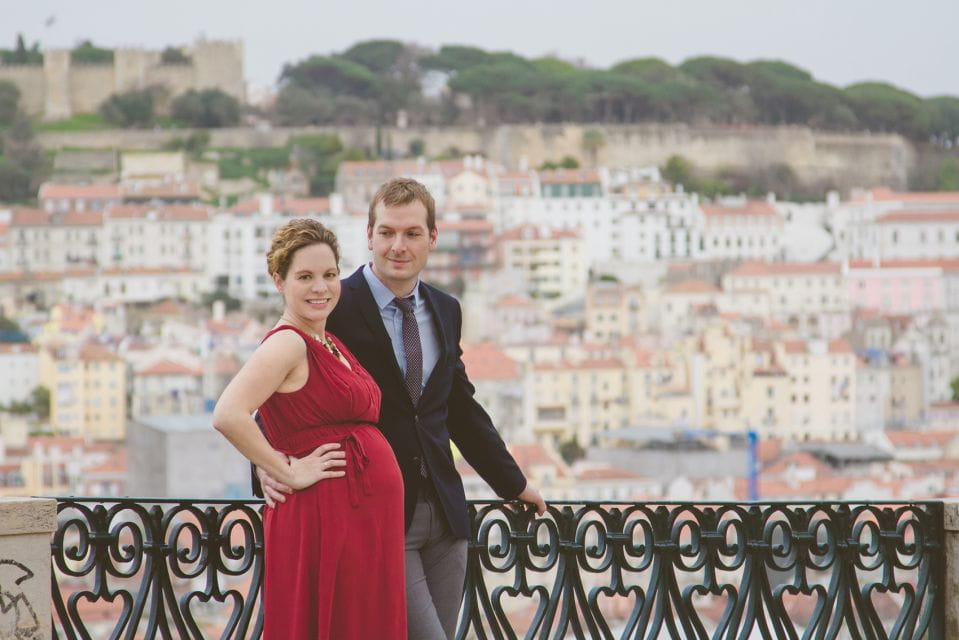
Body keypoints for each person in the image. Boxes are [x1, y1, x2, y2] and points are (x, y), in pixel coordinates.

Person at [256, 177, 546, 640]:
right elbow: (271, 398)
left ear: (433, 238)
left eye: (412, 233)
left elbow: (459, 407)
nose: (398, 246)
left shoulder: (445, 309)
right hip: (375, 516)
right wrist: (270, 468)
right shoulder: (331, 302)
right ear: (368, 236)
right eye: (387, 232)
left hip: (446, 516)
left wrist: (514, 484)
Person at [214, 219, 406, 638]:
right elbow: (228, 414)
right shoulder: (288, 342)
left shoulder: (328, 341)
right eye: (305, 277)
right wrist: (286, 469)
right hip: (323, 519)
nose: (321, 287)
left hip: (361, 523)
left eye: (330, 275)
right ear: (279, 281)